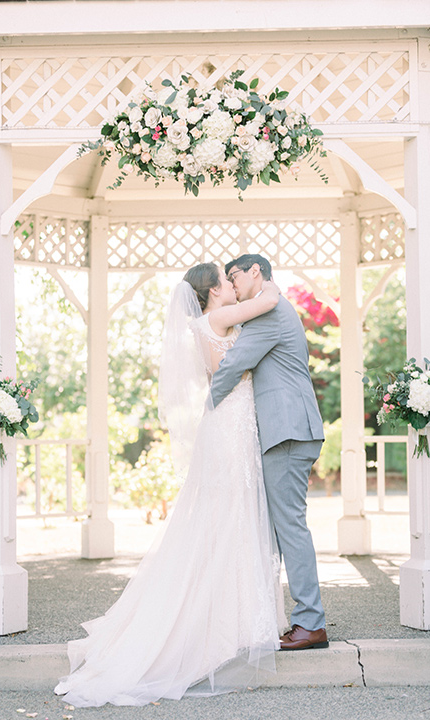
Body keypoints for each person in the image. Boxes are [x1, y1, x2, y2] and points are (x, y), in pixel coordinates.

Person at [54, 262, 287, 708]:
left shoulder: (206, 320)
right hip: (231, 425)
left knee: (232, 517)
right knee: (230, 516)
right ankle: (229, 622)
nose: (232, 282)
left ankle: (237, 617)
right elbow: (267, 307)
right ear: (215, 291)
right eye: (227, 278)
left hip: (233, 423)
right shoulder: (217, 318)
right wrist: (264, 278)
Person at [210, 254, 328, 651]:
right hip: (287, 430)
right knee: (283, 526)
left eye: (235, 276)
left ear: (255, 271)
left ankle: (311, 623)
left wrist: (205, 408)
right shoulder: (268, 306)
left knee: (290, 526)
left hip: (289, 431)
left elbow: (233, 364)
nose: (233, 284)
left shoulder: (269, 315)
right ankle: (298, 618)